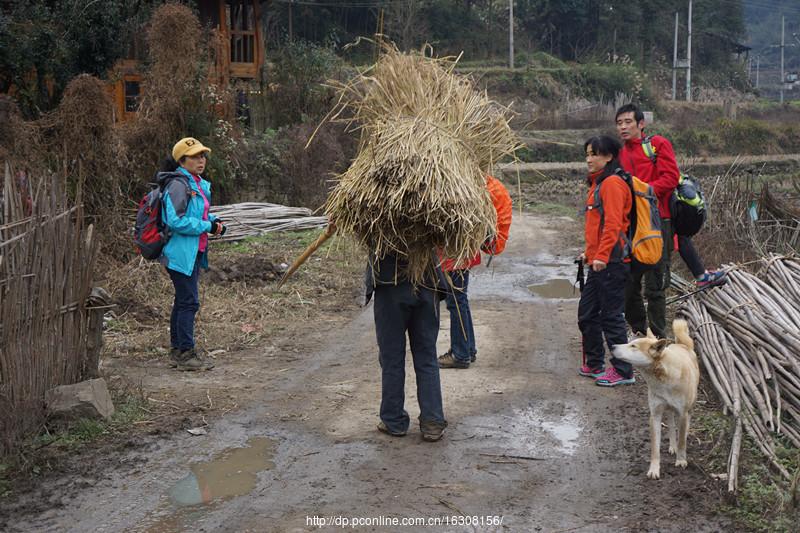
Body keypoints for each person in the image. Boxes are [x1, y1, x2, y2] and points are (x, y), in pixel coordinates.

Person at [366, 251, 448, 441]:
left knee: (391, 357)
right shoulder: (432, 221)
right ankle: (432, 421)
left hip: (390, 284)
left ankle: (393, 420)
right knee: (426, 356)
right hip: (427, 282)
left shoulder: (379, 222)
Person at [160, 137, 226, 371]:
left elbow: (197, 215)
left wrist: (213, 221)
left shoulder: (197, 183)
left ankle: (178, 351)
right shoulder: (179, 185)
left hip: (193, 251)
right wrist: (206, 227)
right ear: (182, 160)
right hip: (180, 253)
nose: (201, 160)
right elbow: (176, 221)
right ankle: (186, 353)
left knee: (183, 301)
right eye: (195, 156)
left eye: (203, 156)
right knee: (189, 302)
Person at [615, 104, 677, 339]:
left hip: (657, 221)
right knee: (629, 283)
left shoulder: (658, 145)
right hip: (630, 225)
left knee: (655, 285)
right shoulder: (619, 154)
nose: (623, 127)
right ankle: (641, 332)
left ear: (641, 124)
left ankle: (659, 337)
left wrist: (643, 192)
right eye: (619, 123)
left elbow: (670, 178)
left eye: (628, 122)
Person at [437, 175, 512, 370]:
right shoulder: (474, 183)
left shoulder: (461, 184)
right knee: (460, 300)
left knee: (456, 301)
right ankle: (468, 349)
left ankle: (460, 354)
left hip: (456, 251)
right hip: (462, 250)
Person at [578, 135, 635, 387]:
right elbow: (597, 227)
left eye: (595, 154)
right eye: (588, 154)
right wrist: (589, 254)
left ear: (609, 157)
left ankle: (623, 371)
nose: (589, 159)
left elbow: (613, 224)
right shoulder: (599, 183)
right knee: (587, 314)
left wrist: (601, 255)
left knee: (611, 316)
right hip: (599, 262)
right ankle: (594, 363)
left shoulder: (612, 183)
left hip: (612, 263)